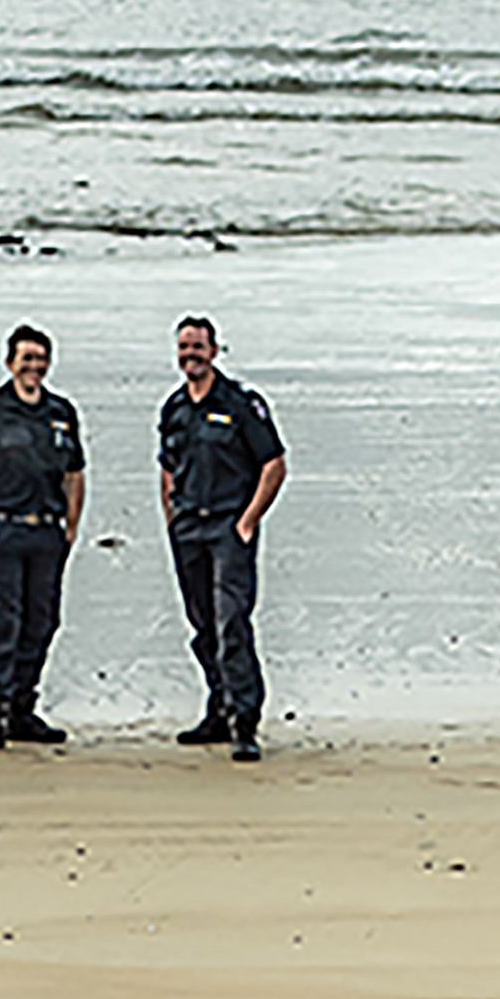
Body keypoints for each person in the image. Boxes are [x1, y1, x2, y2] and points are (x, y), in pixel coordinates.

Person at [0, 326, 86, 753]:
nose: (34, 366)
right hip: (5, 531)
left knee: (41, 623)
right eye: (26, 358)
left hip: (47, 532)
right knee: (0, 625)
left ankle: (22, 711)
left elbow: (75, 473)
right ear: (9, 362)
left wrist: (71, 526)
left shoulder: (61, 412)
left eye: (41, 358)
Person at [157, 314, 286, 760]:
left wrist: (248, 521)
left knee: (232, 623)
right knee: (203, 625)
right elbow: (167, 468)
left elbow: (274, 465)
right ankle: (218, 709)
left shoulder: (241, 403)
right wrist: (171, 519)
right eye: (184, 347)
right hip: (188, 529)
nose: (190, 354)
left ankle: (244, 722)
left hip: (229, 527)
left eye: (198, 346)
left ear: (214, 351)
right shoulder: (174, 408)